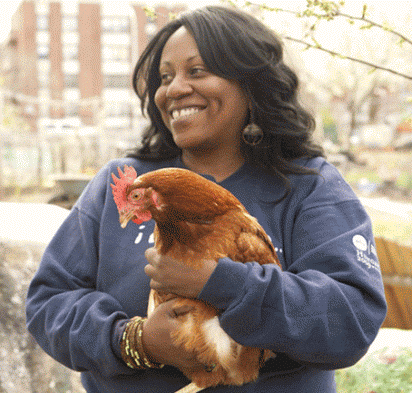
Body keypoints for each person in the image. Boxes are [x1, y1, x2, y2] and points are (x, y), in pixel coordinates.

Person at [26, 5, 387, 392]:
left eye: (196, 71)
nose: (175, 89)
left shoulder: (308, 186)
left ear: (251, 83)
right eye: (165, 77)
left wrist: (221, 282)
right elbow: (49, 302)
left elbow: (351, 318)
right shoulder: (127, 183)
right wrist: (136, 341)